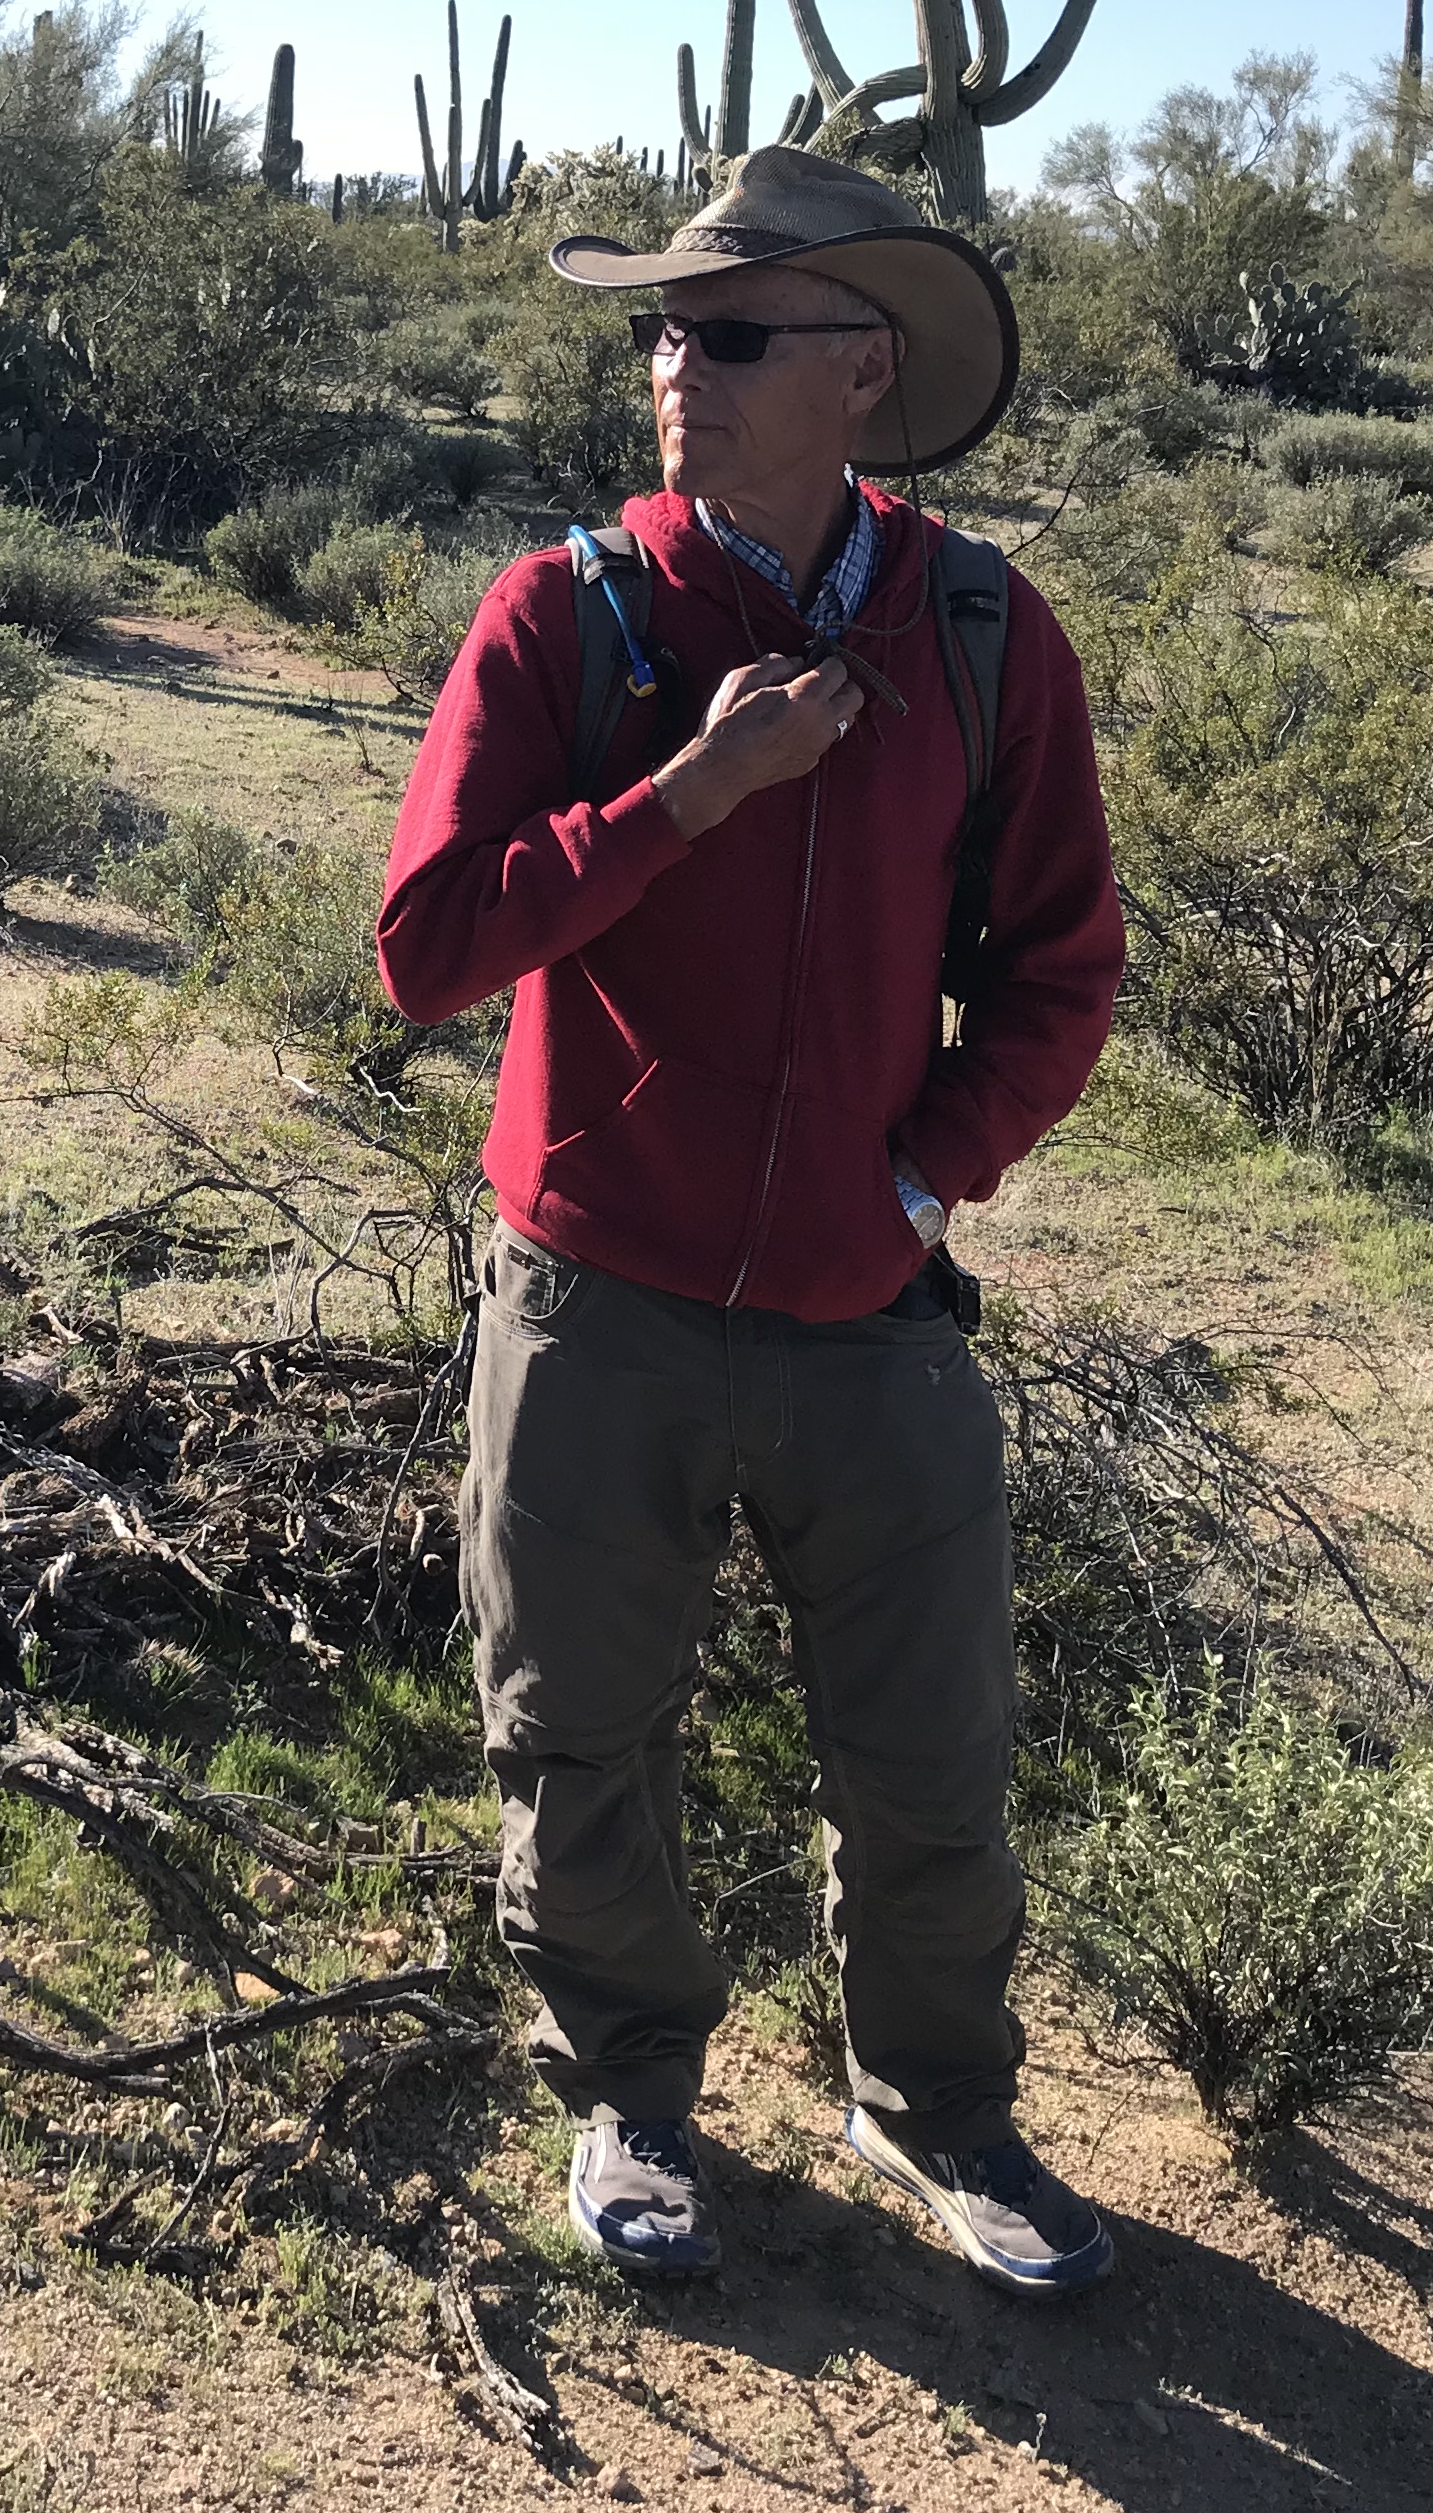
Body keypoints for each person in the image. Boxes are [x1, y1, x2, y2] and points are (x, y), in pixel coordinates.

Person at [374, 146, 1126, 2296]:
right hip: (593, 1293)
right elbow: (424, 949)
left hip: (868, 1308)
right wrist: (688, 794)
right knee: (576, 1733)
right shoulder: (570, 617)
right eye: (661, 331)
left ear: (860, 371)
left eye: (724, 332)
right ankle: (631, 2097)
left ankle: (942, 2117)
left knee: (930, 1758)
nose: (669, 368)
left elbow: (1065, 964)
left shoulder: (979, 631)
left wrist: (923, 1168)